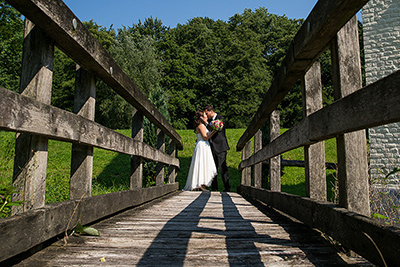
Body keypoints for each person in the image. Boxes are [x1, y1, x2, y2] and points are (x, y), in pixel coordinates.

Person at [183, 111, 218, 191]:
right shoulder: (201, 125)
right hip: (202, 146)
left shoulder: (201, 125)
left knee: (202, 164)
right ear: (202, 117)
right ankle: (200, 184)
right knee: (201, 164)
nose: (206, 116)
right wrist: (214, 131)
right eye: (205, 115)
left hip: (203, 145)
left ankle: (200, 184)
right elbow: (205, 137)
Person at [204, 105, 231, 192]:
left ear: (211, 111)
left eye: (207, 113)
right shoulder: (208, 120)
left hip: (220, 146)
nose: (206, 115)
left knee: (223, 168)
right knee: (213, 168)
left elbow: (215, 129)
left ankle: (227, 187)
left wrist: (206, 123)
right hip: (211, 147)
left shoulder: (221, 118)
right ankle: (214, 187)